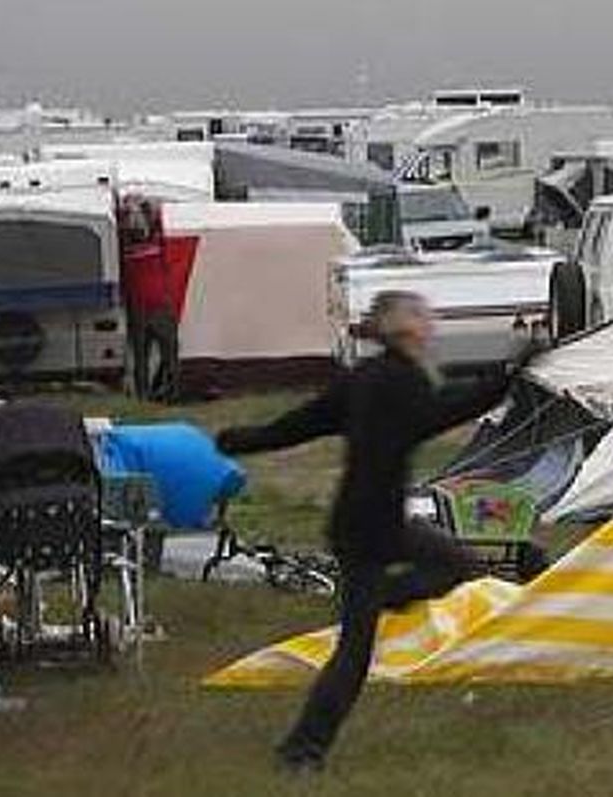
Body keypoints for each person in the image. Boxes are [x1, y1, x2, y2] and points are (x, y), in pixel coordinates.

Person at [217, 290, 511, 772]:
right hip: (371, 531)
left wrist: (243, 440)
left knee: (458, 564)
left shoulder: (365, 377)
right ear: (405, 326)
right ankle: (301, 751)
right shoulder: (401, 380)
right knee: (354, 654)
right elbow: (440, 415)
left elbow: (301, 423)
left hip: (367, 522)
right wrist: (505, 381)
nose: (431, 323)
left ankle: (384, 597)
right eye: (424, 315)